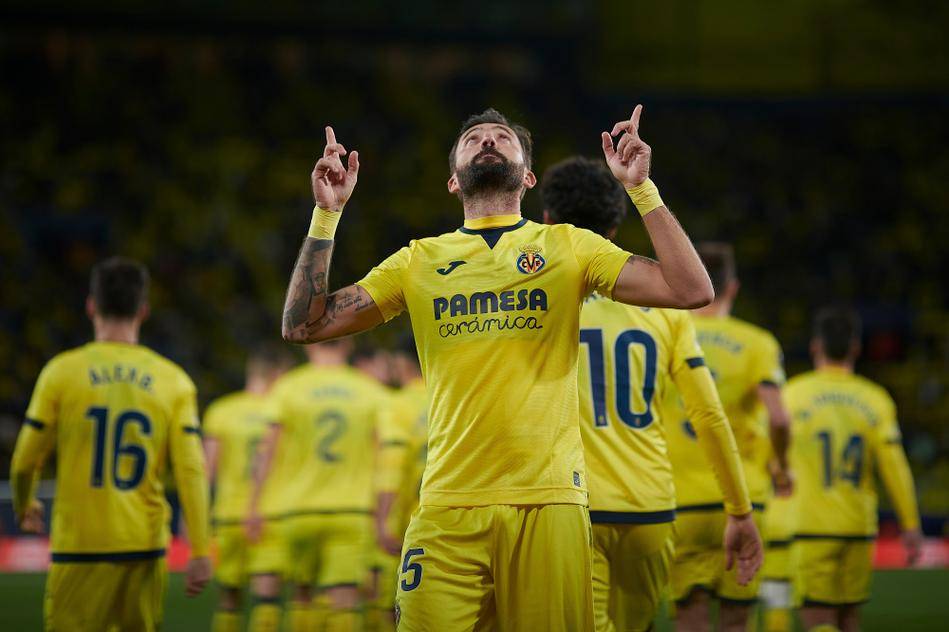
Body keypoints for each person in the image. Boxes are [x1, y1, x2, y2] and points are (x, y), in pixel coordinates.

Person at [280, 105, 714, 630]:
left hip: (548, 502)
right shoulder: (417, 260)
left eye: (502, 137)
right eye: (474, 139)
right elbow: (303, 325)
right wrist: (326, 215)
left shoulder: (569, 246)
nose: (487, 140)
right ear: (452, 180)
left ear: (529, 177)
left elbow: (692, 290)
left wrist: (641, 189)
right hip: (447, 505)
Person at [542, 156, 762, 632]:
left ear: (545, 220)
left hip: (571, 505)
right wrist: (740, 510)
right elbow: (708, 415)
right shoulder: (665, 308)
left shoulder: (535, 304)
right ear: (615, 227)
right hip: (651, 508)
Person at [10, 256, 211, 631]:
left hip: (78, 546)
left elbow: (23, 461)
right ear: (143, 310)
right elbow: (191, 471)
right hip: (144, 548)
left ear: (91, 307)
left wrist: (25, 503)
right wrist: (200, 547)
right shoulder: (173, 381)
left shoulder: (61, 373)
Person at [665, 242, 793, 632]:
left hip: (680, 499)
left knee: (690, 618)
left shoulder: (664, 332)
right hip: (744, 500)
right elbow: (779, 419)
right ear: (733, 288)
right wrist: (782, 466)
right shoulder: (757, 343)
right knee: (737, 621)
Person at [786, 307, 922, 632]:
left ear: (815, 346)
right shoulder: (875, 399)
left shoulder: (792, 395)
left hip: (811, 526)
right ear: (856, 348)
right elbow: (894, 466)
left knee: (817, 621)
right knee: (849, 621)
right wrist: (910, 524)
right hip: (859, 527)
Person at [246, 338, 389, 632]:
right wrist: (383, 512)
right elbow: (382, 456)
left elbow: (267, 451)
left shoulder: (288, 387)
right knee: (344, 600)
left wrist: (254, 504)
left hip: (298, 510)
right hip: (352, 509)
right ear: (348, 343)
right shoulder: (370, 391)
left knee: (302, 595)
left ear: (308, 343)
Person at [203, 344, 295, 632]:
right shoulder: (284, 413)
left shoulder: (221, 411)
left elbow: (206, 470)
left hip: (228, 516)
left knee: (228, 600)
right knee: (266, 600)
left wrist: (196, 515)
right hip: (269, 515)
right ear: (277, 374)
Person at [370, 336, 429, 632]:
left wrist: (383, 519)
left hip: (408, 523)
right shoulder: (448, 395)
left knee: (393, 608)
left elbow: (392, 465)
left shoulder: (396, 404)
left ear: (401, 363)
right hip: (450, 515)